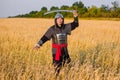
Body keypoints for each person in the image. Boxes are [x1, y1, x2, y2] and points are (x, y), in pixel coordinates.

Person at [34, 10, 79, 77]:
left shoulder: (66, 27)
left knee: (69, 67)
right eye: (58, 19)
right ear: (55, 20)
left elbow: (75, 24)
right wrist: (38, 44)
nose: (60, 20)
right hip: (56, 52)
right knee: (57, 68)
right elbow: (45, 37)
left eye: (61, 19)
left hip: (65, 51)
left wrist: (75, 16)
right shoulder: (52, 29)